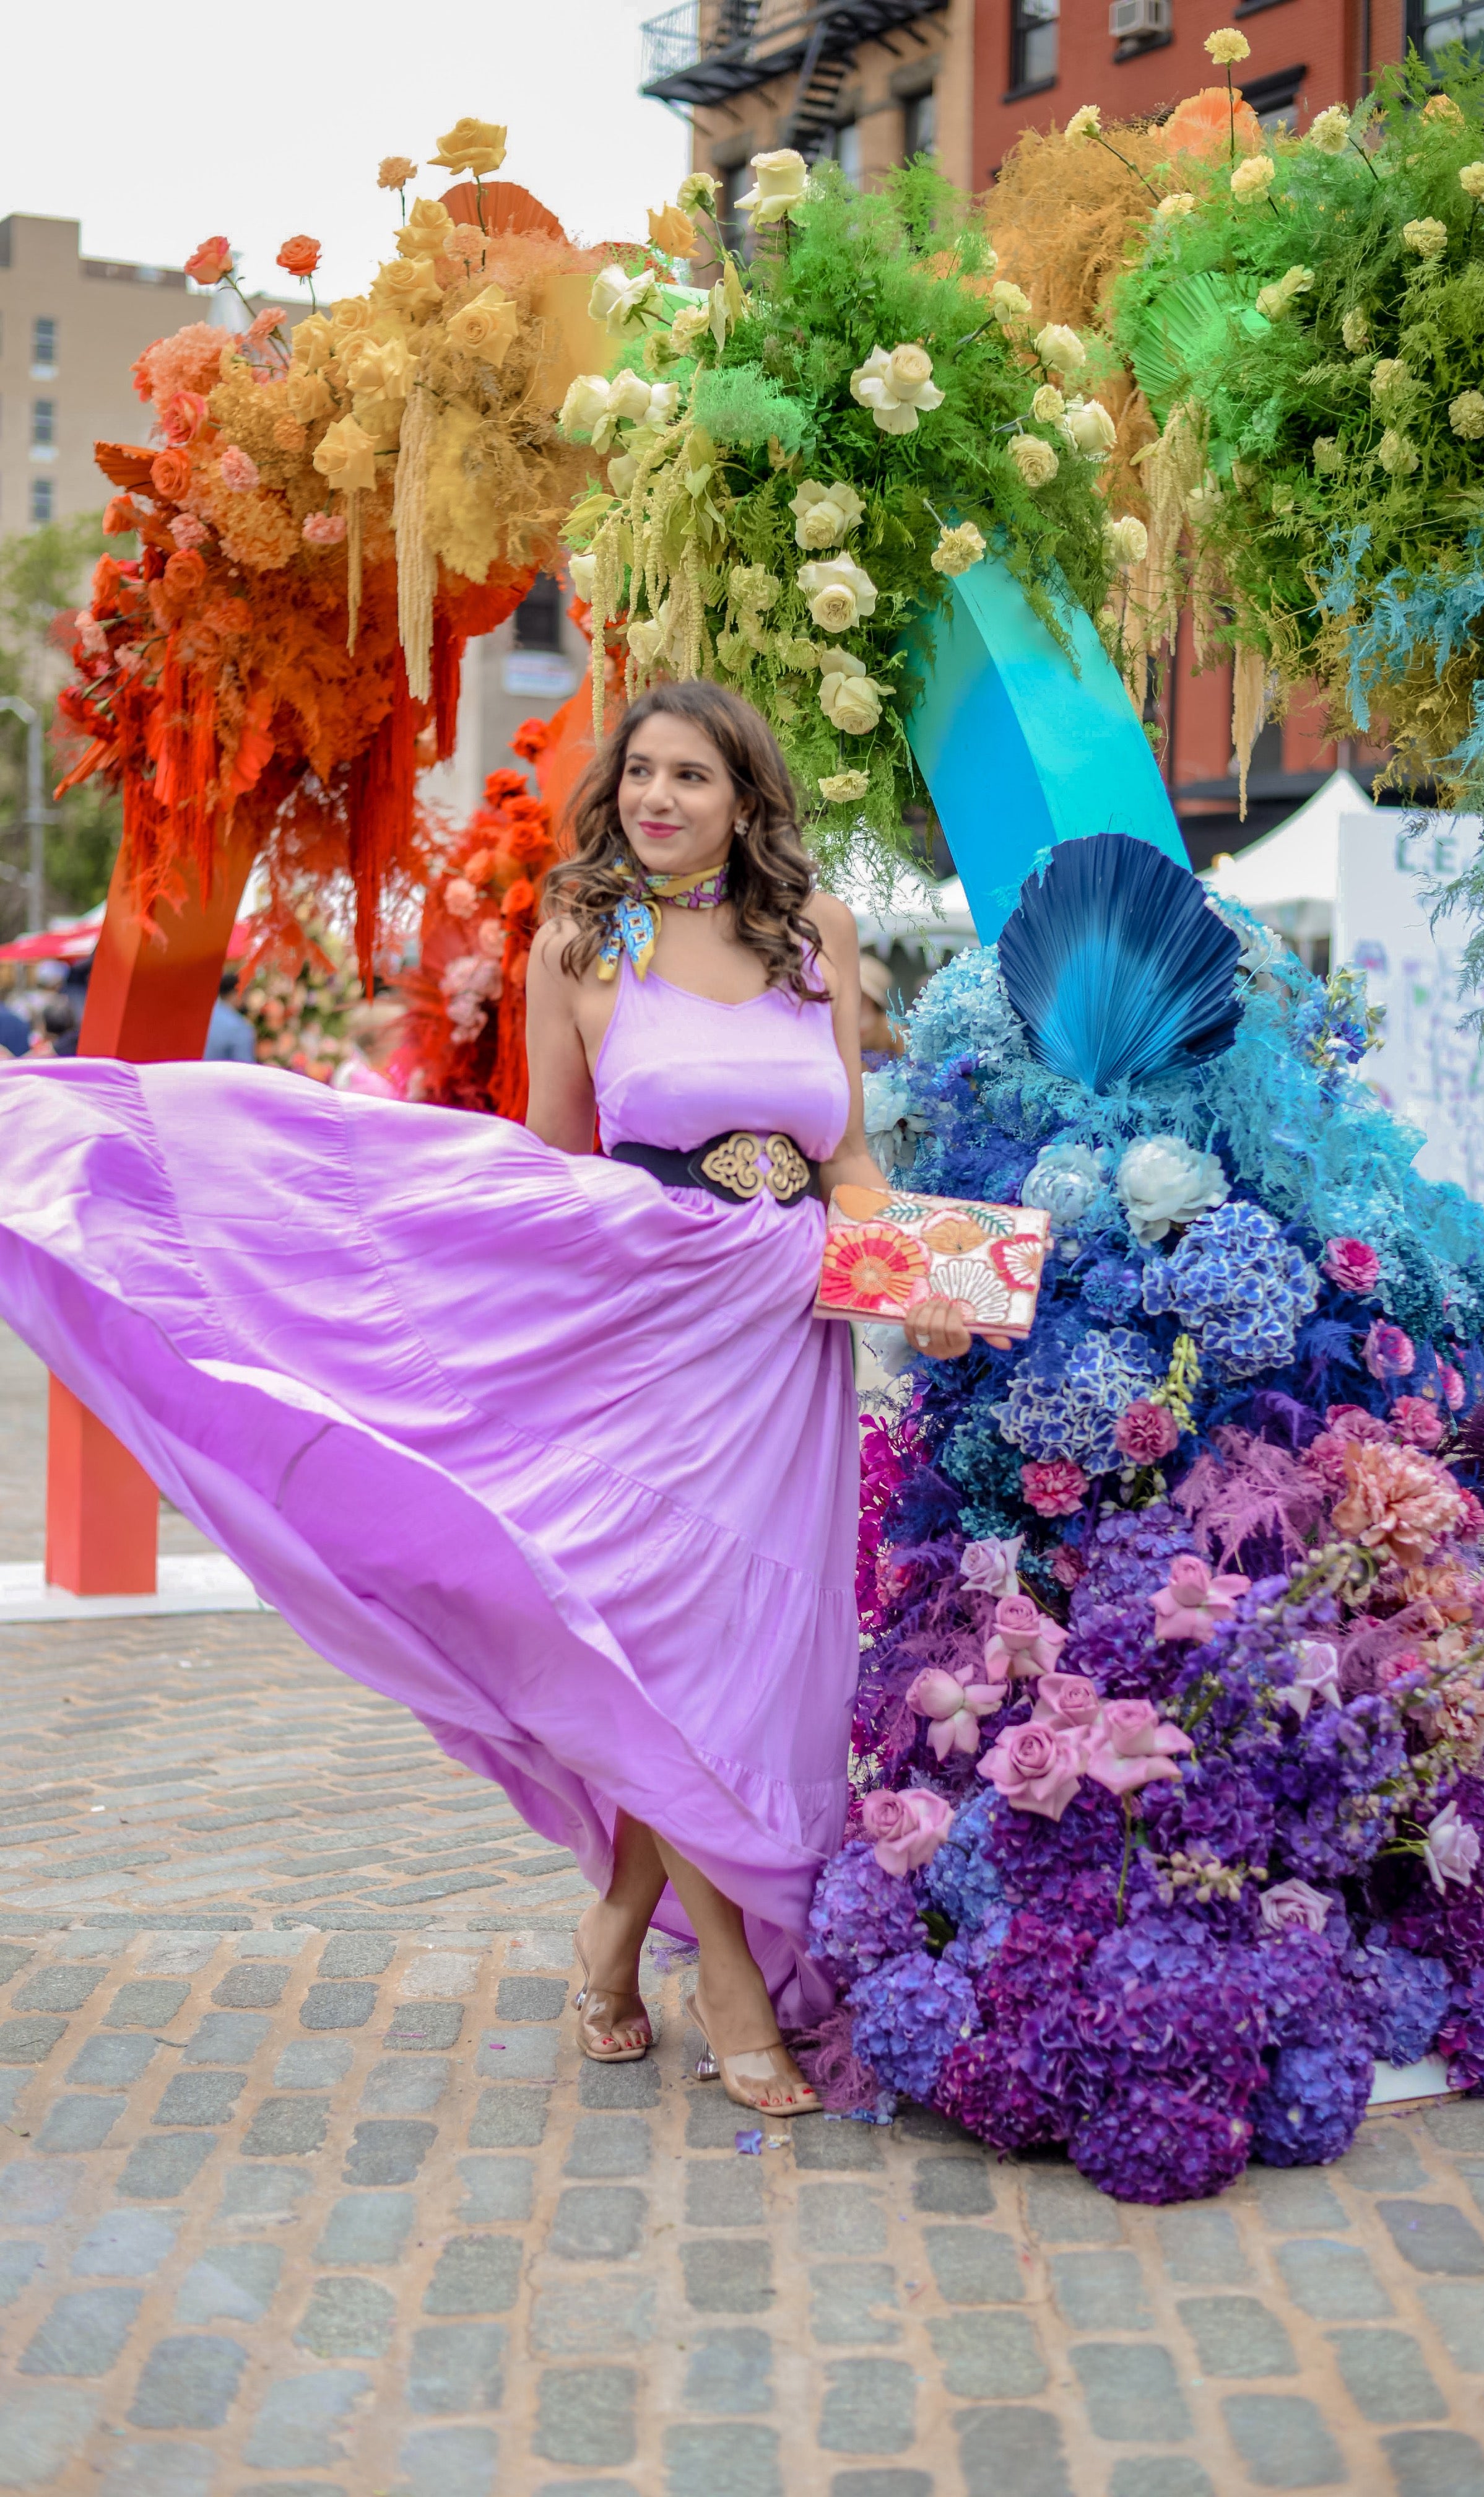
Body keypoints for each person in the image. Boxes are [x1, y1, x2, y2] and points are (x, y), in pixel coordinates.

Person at [0, 682, 982, 2116]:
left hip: (788, 1337)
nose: (654, 797)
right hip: (650, 1320)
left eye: (688, 777)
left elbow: (845, 1161)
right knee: (667, 1646)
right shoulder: (587, 938)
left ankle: (607, 1935)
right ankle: (723, 1974)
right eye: (637, 772)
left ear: (745, 797)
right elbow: (546, 1162)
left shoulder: (809, 936)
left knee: (752, 1663)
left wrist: (924, 1282)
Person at [203, 967, 257, 1063]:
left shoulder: (204, 1015)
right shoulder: (239, 1027)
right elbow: (245, 1068)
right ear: (237, 994)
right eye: (247, 993)